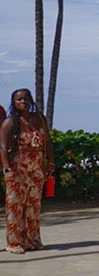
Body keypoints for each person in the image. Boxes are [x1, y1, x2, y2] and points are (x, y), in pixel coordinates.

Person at [0, 88, 54, 254]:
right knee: (15, 206)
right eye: (19, 99)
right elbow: (2, 146)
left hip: (36, 168)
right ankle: (14, 242)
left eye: (26, 99)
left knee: (33, 206)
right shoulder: (9, 122)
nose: (23, 102)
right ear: (14, 103)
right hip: (17, 169)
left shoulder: (40, 119)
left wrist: (50, 161)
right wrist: (6, 167)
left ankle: (33, 240)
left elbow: (48, 142)